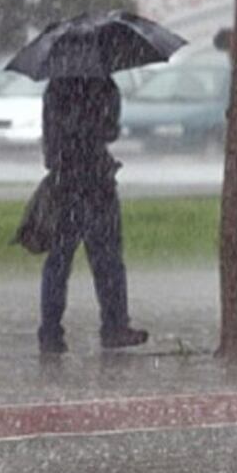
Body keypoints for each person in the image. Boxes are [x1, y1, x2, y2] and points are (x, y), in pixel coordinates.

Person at [37, 76, 148, 354]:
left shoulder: (55, 87)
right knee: (107, 259)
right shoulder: (104, 85)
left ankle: (50, 332)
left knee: (59, 260)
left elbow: (50, 140)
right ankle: (114, 326)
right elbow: (110, 131)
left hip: (64, 181)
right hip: (96, 181)